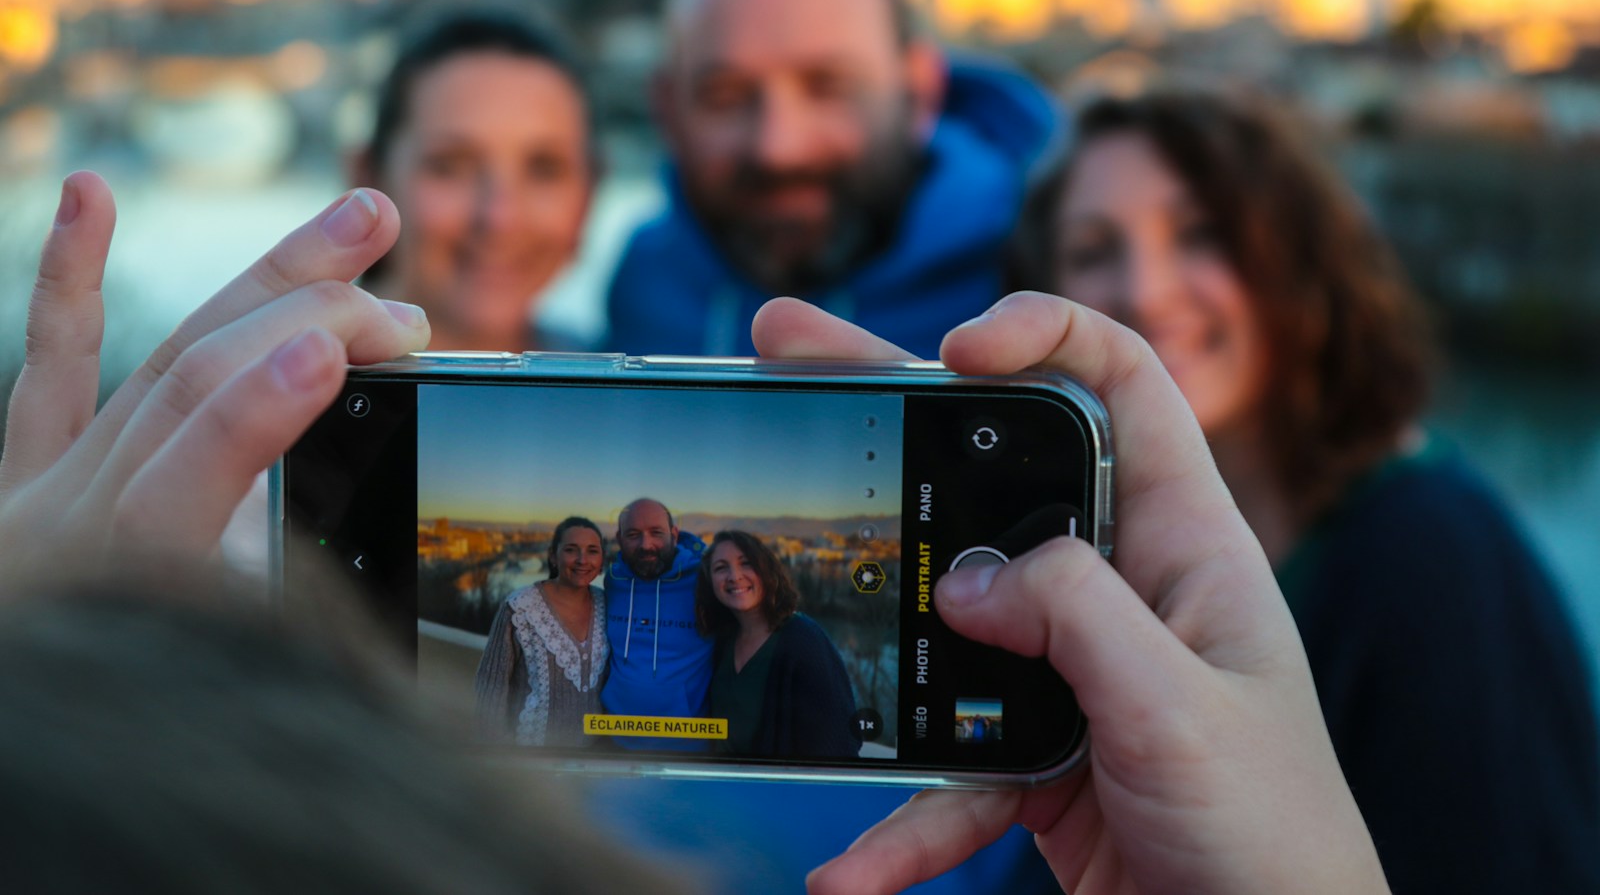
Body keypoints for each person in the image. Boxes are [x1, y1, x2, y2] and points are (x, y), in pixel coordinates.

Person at [2, 172, 1392, 893]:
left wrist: (75, 705)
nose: (657, 548)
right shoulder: (583, 629)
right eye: (633, 532)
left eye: (679, 536)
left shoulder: (773, 656)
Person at [1017, 89, 1600, 893]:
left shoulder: (1434, 555)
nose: (1143, 292)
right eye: (1091, 250)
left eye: (1200, 235)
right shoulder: (1092, 569)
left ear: (1292, 259)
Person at [604, 0, 1066, 359]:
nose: (777, 147)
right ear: (667, 109)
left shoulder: (1058, 268)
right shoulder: (640, 287)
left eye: (829, 88)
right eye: (725, 96)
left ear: (921, 90)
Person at [352, 4, 597, 352]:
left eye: (544, 169)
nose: (500, 218)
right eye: (450, 166)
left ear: (589, 194)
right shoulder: (281, 384)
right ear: (369, 177)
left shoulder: (627, 393)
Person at [696, 529, 860, 758]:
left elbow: (840, 740)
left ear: (766, 571)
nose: (734, 576)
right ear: (710, 582)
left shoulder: (803, 638)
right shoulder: (723, 640)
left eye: (746, 563)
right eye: (721, 568)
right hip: (722, 788)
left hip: (777, 791)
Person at [474, 515, 608, 747]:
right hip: (532, 764)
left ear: (602, 559)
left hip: (595, 763)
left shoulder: (608, 605)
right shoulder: (519, 607)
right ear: (553, 556)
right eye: (571, 550)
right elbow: (491, 689)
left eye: (592, 551)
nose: (582, 560)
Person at [600, 497, 713, 750]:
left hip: (686, 748)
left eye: (656, 533)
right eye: (633, 534)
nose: (646, 545)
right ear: (619, 539)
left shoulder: (705, 581)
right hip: (615, 744)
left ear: (674, 534)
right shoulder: (613, 581)